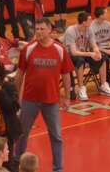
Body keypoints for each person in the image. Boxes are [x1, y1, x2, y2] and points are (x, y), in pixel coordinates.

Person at [15, 18, 73, 172]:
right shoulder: (28, 48)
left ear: (50, 31)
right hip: (29, 99)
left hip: (51, 100)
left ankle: (58, 168)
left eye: (41, 29)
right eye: (37, 29)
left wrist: (67, 96)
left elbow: (66, 74)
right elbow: (19, 74)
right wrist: (16, 96)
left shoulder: (60, 50)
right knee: (22, 134)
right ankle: (16, 164)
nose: (38, 32)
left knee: (56, 136)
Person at [64, 12, 99, 100]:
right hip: (70, 56)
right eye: (90, 20)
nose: (92, 21)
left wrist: (96, 51)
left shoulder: (89, 29)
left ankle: (103, 85)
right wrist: (90, 54)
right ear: (84, 22)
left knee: (103, 57)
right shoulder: (71, 30)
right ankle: (81, 87)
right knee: (80, 60)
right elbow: (74, 52)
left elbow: (93, 44)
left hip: (84, 53)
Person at [86, 7, 110, 95]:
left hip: (109, 48)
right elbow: (93, 45)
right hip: (99, 50)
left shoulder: (107, 24)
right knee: (105, 58)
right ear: (101, 16)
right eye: (106, 13)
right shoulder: (92, 27)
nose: (107, 15)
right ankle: (107, 84)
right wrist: (107, 51)